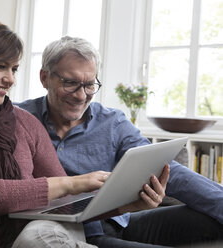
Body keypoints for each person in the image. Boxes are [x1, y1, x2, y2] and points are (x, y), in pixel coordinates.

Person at [0, 20, 169, 248]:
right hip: (3, 241)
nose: (11, 79)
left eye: (14, 69)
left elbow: (66, 204)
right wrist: (73, 182)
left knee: (36, 235)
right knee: (34, 239)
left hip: (54, 230)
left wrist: (129, 205)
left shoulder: (24, 121)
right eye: (1, 67)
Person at [16, 36, 223, 248]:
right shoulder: (15, 118)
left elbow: (166, 170)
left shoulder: (112, 121)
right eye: (70, 83)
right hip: (73, 232)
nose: (81, 95)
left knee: (213, 220)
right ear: (44, 78)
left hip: (119, 220)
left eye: (89, 85)